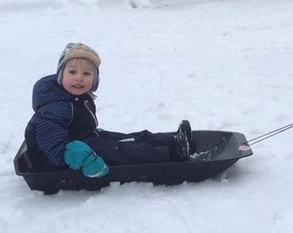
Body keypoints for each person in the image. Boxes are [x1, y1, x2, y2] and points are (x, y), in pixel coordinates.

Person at [25, 43, 193, 178]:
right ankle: (172, 154)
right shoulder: (55, 108)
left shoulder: (76, 97)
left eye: (86, 73)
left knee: (127, 138)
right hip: (63, 159)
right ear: (61, 75)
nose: (79, 78)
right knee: (123, 151)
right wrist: (81, 158)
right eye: (72, 72)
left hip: (85, 140)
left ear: (94, 80)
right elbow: (53, 146)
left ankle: (172, 141)